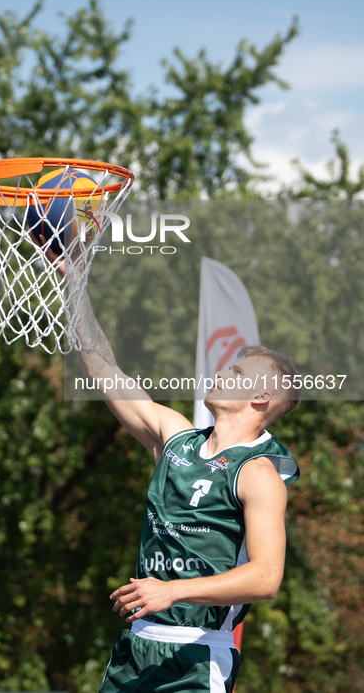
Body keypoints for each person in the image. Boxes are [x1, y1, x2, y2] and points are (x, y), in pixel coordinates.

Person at [72, 287, 301, 693]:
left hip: (196, 656)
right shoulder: (175, 438)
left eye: (236, 374)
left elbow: (266, 577)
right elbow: (105, 369)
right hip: (135, 647)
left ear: (261, 397)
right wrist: (73, 285)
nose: (221, 375)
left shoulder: (257, 473)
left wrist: (174, 591)